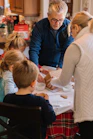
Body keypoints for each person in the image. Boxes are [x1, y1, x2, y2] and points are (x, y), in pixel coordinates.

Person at [45, 11, 93, 139]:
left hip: (88, 110)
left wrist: (51, 79)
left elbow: (64, 81)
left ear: (76, 27)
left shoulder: (76, 46)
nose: (71, 34)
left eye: (71, 30)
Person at [3, 60, 56, 139]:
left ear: (14, 80)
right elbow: (51, 118)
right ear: (33, 83)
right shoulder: (40, 101)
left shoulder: (8, 98)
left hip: (14, 136)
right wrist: (47, 101)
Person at [29, 0, 74, 81]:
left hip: (60, 65)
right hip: (42, 65)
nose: (57, 23)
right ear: (48, 15)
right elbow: (34, 50)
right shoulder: (39, 27)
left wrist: (60, 70)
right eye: (54, 19)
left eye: (60, 20)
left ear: (65, 16)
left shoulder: (69, 27)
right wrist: (35, 70)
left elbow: (66, 51)